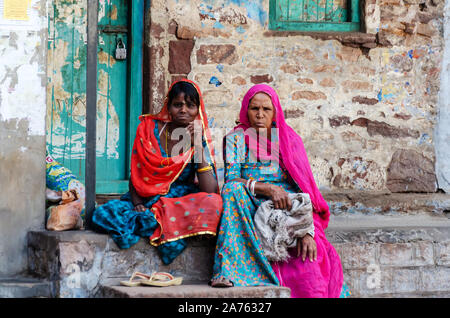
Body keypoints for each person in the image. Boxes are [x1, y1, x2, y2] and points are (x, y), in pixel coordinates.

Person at [211, 84, 348, 298]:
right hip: (250, 202)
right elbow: (232, 177)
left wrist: (306, 230)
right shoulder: (235, 138)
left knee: (310, 263)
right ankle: (229, 269)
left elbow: (304, 188)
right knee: (232, 189)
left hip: (286, 208)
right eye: (254, 108)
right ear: (245, 110)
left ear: (275, 112)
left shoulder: (289, 140)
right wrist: (267, 188)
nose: (259, 114)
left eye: (266, 109)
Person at [91, 79, 223, 265]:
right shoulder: (149, 129)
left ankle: (157, 218)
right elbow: (136, 171)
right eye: (178, 105)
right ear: (168, 107)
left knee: (214, 203)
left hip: (178, 200)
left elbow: (209, 190)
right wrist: (137, 203)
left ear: (197, 110)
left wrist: (198, 147)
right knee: (103, 214)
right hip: (146, 197)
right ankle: (156, 218)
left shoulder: (197, 136)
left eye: (190, 106)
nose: (183, 110)